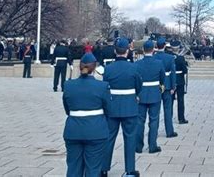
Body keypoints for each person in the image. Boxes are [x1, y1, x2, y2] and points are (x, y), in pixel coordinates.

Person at [62, 53, 110, 177]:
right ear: (94, 68)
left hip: (73, 130)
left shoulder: (68, 85)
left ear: (80, 67)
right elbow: (108, 109)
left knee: (73, 168)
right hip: (95, 130)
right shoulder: (102, 86)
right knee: (93, 169)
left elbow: (67, 109)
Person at [101, 38, 142, 177]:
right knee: (130, 138)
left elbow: (105, 87)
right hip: (129, 106)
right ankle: (130, 170)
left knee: (108, 138)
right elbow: (139, 86)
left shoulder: (108, 69)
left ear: (115, 51)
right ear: (128, 51)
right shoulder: (134, 67)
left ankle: (104, 168)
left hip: (112, 106)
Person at [135, 40, 165, 154]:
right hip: (154, 94)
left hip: (141, 94)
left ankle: (138, 146)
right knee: (154, 121)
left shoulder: (137, 64)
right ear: (153, 49)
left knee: (139, 121)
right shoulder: (158, 63)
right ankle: (152, 146)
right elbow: (162, 78)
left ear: (143, 50)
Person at [154, 37, 178, 138]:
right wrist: (173, 86)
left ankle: (154, 132)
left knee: (155, 111)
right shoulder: (170, 57)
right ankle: (169, 131)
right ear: (164, 46)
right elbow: (173, 73)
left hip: (156, 86)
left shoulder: (153, 57)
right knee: (168, 109)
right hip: (167, 85)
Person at [170, 40, 189, 124]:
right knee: (180, 100)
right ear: (178, 48)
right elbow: (185, 71)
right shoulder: (181, 58)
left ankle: (169, 117)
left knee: (170, 101)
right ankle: (181, 118)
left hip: (171, 80)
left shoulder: (168, 57)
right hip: (180, 80)